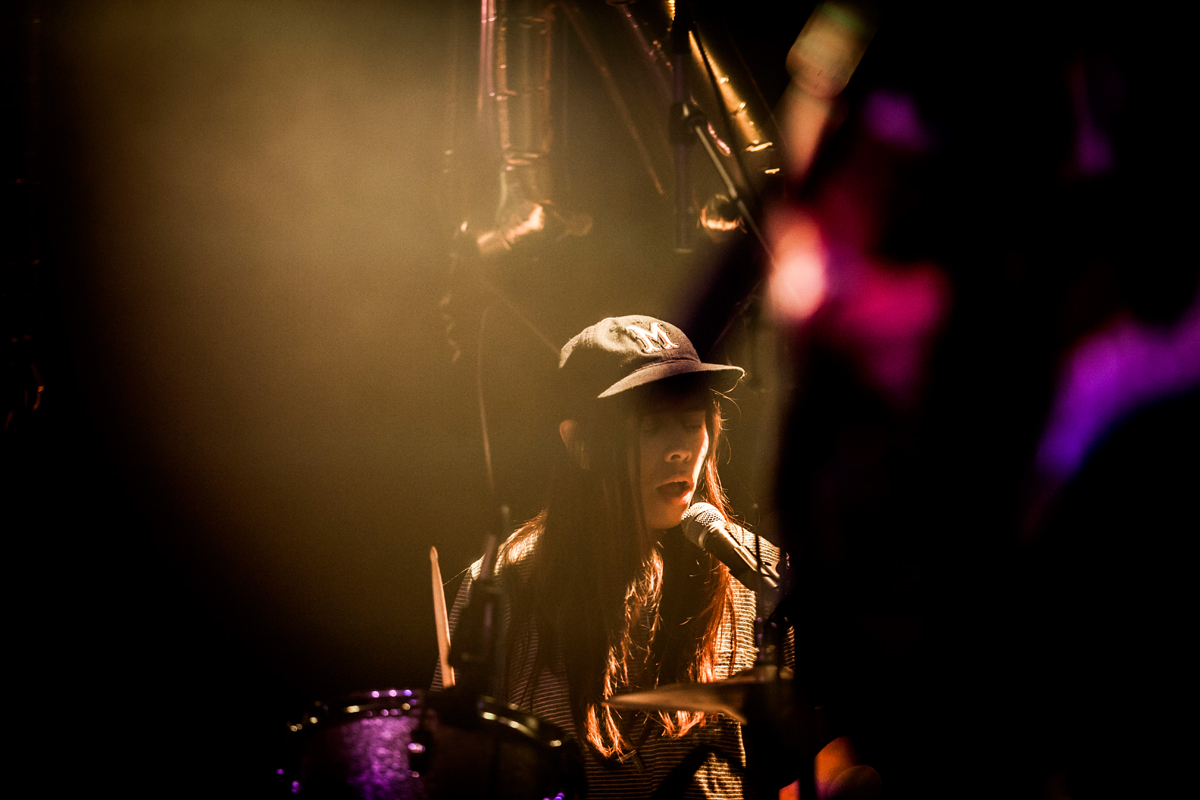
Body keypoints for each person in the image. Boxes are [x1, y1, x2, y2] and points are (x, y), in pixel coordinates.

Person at [436, 315, 786, 799]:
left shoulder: (752, 571)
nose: (681, 449)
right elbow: (447, 768)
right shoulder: (505, 584)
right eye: (651, 428)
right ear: (582, 446)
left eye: (691, 423)